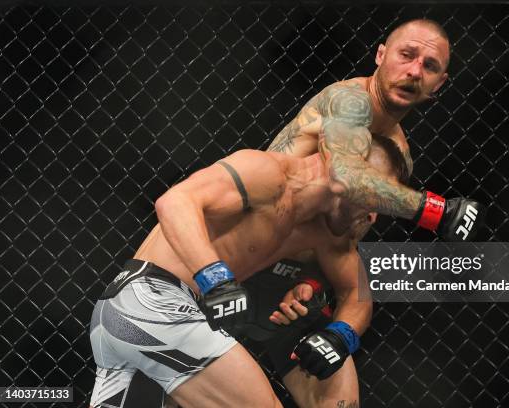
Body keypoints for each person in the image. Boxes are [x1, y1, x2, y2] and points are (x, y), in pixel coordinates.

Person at [88, 135, 403, 408]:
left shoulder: (324, 231)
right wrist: (216, 280)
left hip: (120, 314)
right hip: (154, 299)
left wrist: (340, 336)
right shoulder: (267, 173)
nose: (375, 214)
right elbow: (175, 201)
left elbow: (356, 292)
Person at [268, 18, 485, 241]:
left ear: (438, 84)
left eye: (429, 66)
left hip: (302, 256)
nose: (415, 72)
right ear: (380, 55)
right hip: (253, 228)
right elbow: (344, 177)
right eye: (406, 55)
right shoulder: (349, 100)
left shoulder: (401, 154)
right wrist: (438, 212)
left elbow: (348, 234)